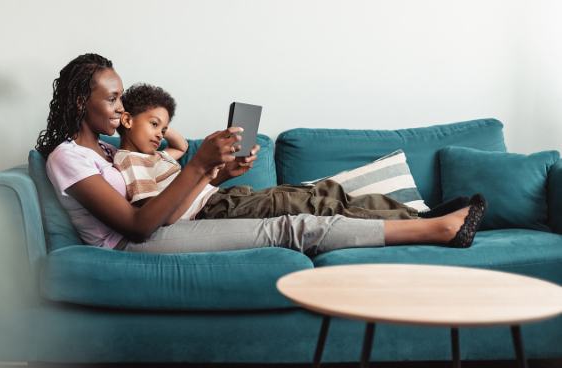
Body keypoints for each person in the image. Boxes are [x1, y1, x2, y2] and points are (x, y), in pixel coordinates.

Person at [36, 53, 486, 255]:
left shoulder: (110, 150)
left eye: (120, 99)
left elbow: (168, 203)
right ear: (80, 102)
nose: (120, 108)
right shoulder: (68, 157)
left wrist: (215, 172)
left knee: (311, 204)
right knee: (296, 225)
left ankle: (427, 222)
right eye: (113, 99)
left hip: (169, 225)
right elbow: (138, 225)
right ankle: (434, 229)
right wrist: (198, 162)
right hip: (133, 246)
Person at [111, 83, 473, 223]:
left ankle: (415, 212)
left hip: (226, 197)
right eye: (153, 125)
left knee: (324, 192)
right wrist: (141, 121)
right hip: (214, 210)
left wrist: (157, 118)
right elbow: (154, 212)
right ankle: (420, 222)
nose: (160, 135)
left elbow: (180, 146)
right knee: (311, 205)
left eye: (162, 127)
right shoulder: (129, 160)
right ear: (125, 119)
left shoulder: (159, 156)